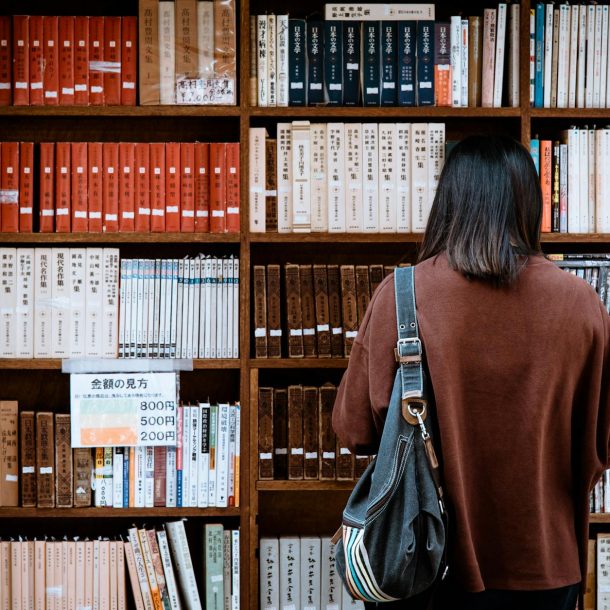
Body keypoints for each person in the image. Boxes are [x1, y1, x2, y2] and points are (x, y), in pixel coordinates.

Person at [332, 135, 610, 610]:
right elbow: (601, 444)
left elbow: (354, 430)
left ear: (448, 201)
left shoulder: (403, 295)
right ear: (529, 202)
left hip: (422, 559)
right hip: (546, 565)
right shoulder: (581, 304)